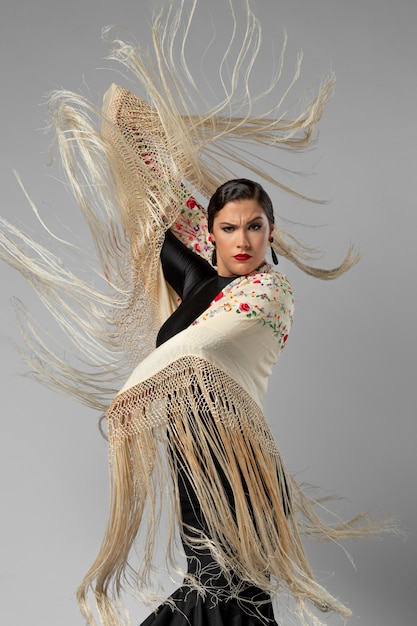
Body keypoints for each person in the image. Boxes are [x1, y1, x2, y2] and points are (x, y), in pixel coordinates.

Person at [0, 4, 387, 626]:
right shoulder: (199, 282)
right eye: (229, 228)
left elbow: (203, 353)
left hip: (239, 460)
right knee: (216, 597)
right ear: (211, 234)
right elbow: (122, 119)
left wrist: (141, 380)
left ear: (270, 235)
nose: (244, 240)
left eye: (255, 228)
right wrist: (153, 131)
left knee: (228, 600)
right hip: (195, 458)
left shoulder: (269, 293)